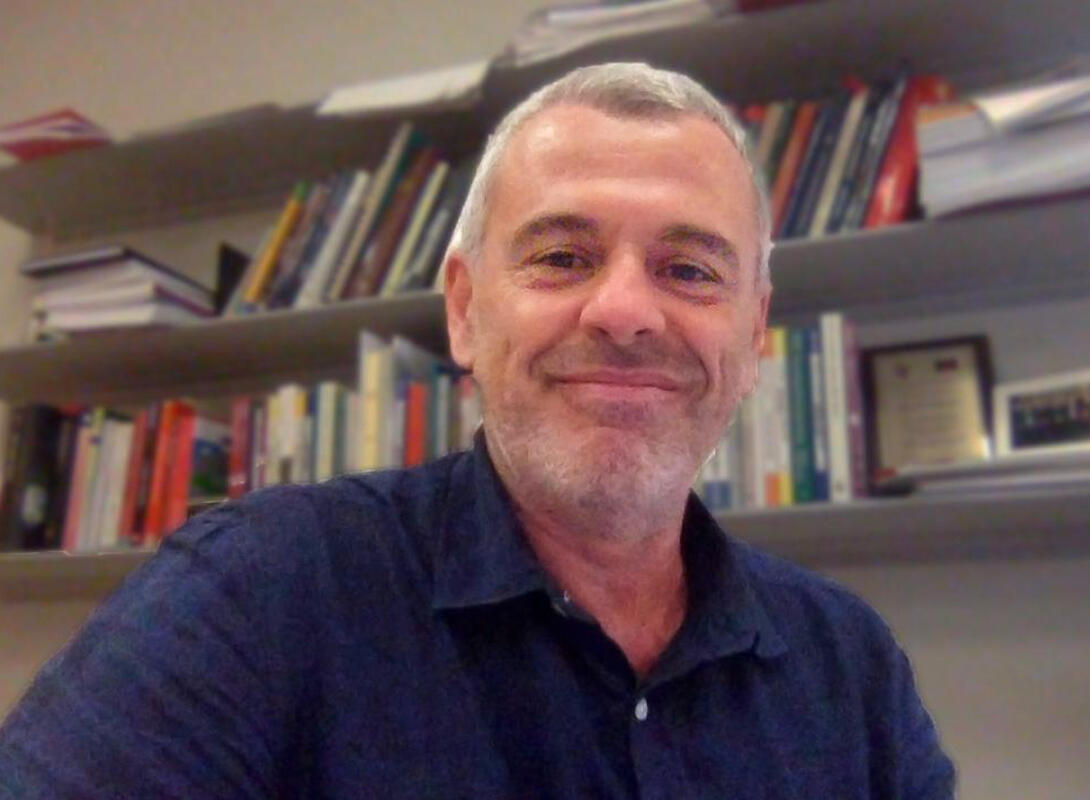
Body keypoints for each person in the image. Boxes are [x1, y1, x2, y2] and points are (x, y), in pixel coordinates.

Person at [0, 63, 955, 798]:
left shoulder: (852, 667)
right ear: (463, 309)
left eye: (691, 271)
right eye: (563, 256)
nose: (626, 312)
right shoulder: (259, 589)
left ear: (752, 336)